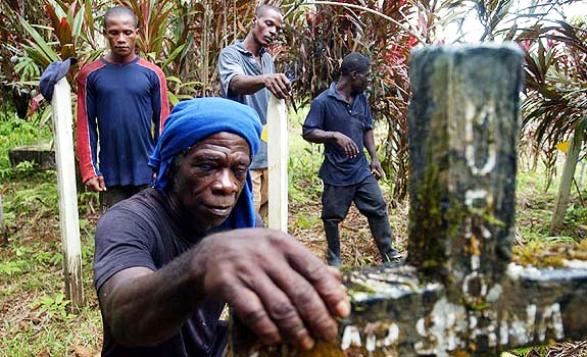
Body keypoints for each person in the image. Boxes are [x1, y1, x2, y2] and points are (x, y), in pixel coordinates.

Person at [93, 98, 350, 356]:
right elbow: (122, 314)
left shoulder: (243, 227)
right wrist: (202, 263)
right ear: (173, 166)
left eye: (238, 169)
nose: (227, 185)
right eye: (207, 166)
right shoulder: (128, 221)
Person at [302, 53, 401, 267]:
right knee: (332, 217)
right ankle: (334, 258)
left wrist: (374, 158)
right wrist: (333, 135)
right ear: (354, 75)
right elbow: (308, 131)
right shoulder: (323, 102)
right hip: (337, 172)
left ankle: (388, 252)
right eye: (367, 76)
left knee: (378, 206)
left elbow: (366, 128)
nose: (370, 80)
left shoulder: (360, 99)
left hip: (361, 169)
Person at [76, 6, 169, 211]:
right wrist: (89, 170)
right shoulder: (90, 75)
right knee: (114, 234)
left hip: (147, 173)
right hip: (110, 176)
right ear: (105, 34)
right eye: (114, 33)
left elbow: (163, 123)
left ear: (137, 33)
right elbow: (85, 124)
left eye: (127, 32)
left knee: (150, 232)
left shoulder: (153, 74)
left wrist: (161, 165)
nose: (120, 38)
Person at [218, 4, 291, 217]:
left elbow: (266, 96)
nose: (272, 32)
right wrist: (265, 79)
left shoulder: (267, 59)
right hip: (246, 153)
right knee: (249, 217)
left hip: (270, 151)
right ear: (254, 22)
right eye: (268, 24)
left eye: (277, 29)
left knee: (270, 213)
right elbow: (236, 82)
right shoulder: (232, 54)